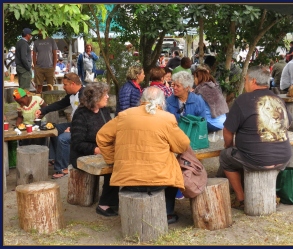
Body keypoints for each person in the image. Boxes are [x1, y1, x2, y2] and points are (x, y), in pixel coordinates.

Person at [96, 86, 190, 224]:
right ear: (162, 102)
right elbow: (183, 145)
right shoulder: (167, 118)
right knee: (172, 165)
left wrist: (113, 159)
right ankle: (167, 213)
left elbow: (101, 137)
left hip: (127, 179)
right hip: (160, 180)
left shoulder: (124, 115)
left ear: (141, 100)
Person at [218, 65, 292, 210]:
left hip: (256, 160)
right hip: (284, 157)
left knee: (225, 157)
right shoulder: (277, 98)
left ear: (252, 81)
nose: (245, 83)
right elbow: (287, 124)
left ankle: (241, 198)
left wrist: (229, 146)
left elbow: (227, 130)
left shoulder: (242, 100)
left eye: (245, 79)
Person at [70, 82, 119, 216]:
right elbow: (77, 142)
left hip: (102, 152)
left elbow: (110, 132)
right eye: (105, 94)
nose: (108, 97)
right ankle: (104, 204)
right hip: (82, 155)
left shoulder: (104, 111)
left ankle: (114, 200)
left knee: (122, 161)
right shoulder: (81, 114)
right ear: (96, 98)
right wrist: (97, 150)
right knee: (113, 166)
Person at [35, 72, 84, 179]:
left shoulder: (85, 95)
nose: (63, 87)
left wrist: (72, 128)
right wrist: (42, 110)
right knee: (54, 129)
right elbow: (59, 104)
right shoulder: (72, 95)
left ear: (73, 84)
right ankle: (54, 158)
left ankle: (62, 168)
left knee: (63, 138)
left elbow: (87, 118)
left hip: (84, 128)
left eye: (65, 85)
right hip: (75, 124)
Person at [193, 66, 228, 132]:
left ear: (199, 78)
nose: (194, 80)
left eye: (194, 77)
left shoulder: (201, 91)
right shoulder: (214, 87)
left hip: (212, 124)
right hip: (224, 121)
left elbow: (195, 109)